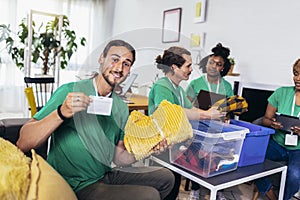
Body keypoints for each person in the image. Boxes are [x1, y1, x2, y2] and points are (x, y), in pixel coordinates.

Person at [17, 39, 175, 200]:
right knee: (149, 195)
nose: (119, 68)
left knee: (166, 178)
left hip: (103, 175)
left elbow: (119, 158)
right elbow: (23, 142)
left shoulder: (120, 107)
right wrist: (61, 112)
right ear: (101, 58)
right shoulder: (70, 91)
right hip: (75, 183)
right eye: (115, 59)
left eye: (126, 63)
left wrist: (147, 148)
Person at [148, 46, 225, 200]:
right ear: (174, 67)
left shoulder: (178, 89)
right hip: (161, 147)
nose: (191, 69)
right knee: (163, 188)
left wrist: (211, 114)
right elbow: (170, 111)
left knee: (174, 185)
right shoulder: (162, 86)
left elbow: (191, 110)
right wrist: (205, 114)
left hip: (174, 146)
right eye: (188, 65)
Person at [185, 43, 234, 200]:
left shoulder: (226, 86)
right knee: (197, 150)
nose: (213, 66)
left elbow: (229, 110)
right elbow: (186, 107)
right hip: (198, 124)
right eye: (211, 62)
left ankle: (218, 189)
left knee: (221, 152)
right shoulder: (195, 83)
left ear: (223, 68)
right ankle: (195, 188)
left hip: (217, 126)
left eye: (218, 64)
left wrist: (226, 117)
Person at [254, 58, 300, 200]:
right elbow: (265, 119)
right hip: (277, 144)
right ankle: (272, 195)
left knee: (295, 175)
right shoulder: (281, 93)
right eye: (296, 73)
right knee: (252, 159)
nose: (297, 78)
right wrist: (272, 124)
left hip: (298, 150)